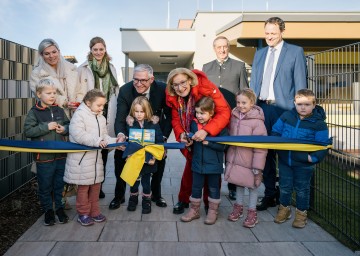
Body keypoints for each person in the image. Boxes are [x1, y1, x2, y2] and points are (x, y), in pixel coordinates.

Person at [250, 17, 307, 211]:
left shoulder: (295, 52)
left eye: (273, 33)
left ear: (282, 31)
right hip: (262, 109)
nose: (269, 37)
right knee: (264, 154)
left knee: (284, 154)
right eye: (266, 33)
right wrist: (251, 107)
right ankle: (269, 195)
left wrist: (300, 112)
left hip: (285, 112)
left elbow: (300, 84)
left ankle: (284, 197)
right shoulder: (259, 54)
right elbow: (254, 85)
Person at [166, 68, 231, 214]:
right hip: (192, 136)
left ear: (190, 80)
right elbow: (176, 119)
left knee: (212, 171)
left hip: (212, 134)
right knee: (191, 167)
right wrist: (181, 134)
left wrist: (207, 131)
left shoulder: (206, 87)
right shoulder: (174, 96)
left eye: (182, 82)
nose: (179, 87)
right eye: (175, 84)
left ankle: (210, 204)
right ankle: (184, 200)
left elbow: (224, 111)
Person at [111, 64, 172, 210]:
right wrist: (120, 135)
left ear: (152, 79)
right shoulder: (125, 90)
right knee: (120, 159)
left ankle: (156, 195)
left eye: (143, 80)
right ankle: (119, 195)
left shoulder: (163, 89)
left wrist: (162, 138)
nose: (138, 83)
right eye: (135, 80)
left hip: (153, 133)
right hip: (131, 134)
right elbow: (120, 117)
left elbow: (170, 115)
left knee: (159, 162)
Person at [271, 89, 329, 228]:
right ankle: (284, 209)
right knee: (285, 186)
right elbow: (275, 131)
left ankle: (301, 214)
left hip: (304, 164)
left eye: (307, 104)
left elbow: (323, 145)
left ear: (314, 105)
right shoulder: (286, 116)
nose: (303, 107)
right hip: (285, 161)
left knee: (302, 189)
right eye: (300, 104)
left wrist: (312, 158)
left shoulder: (319, 123)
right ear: (294, 103)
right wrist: (279, 148)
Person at [202, 35, 249, 201]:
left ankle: (233, 187)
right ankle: (212, 188)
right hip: (213, 118)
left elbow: (245, 91)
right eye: (219, 47)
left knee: (232, 153)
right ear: (214, 49)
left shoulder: (239, 65)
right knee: (214, 151)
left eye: (225, 47)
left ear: (228, 48)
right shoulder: (206, 68)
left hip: (233, 117)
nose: (222, 50)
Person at [64, 89, 116, 226]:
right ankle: (83, 213)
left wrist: (117, 141)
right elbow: (78, 134)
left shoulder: (101, 117)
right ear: (88, 102)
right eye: (99, 105)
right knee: (83, 189)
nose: (101, 108)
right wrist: (97, 141)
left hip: (95, 160)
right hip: (82, 160)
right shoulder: (79, 116)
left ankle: (95, 212)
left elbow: (104, 136)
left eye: (103, 105)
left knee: (95, 188)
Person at [24, 78, 70, 226]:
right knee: (45, 186)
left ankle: (60, 208)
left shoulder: (59, 110)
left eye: (54, 93)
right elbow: (28, 131)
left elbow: (69, 125)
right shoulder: (34, 112)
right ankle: (48, 211)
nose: (52, 95)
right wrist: (46, 127)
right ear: (39, 94)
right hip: (43, 157)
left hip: (61, 155)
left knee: (59, 184)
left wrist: (65, 129)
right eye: (48, 93)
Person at [77, 37, 119, 199]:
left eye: (101, 49)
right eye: (95, 49)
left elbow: (116, 90)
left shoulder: (112, 67)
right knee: (91, 150)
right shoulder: (83, 68)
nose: (99, 52)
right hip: (91, 111)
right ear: (91, 50)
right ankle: (88, 186)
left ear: (105, 49)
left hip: (108, 110)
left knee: (103, 150)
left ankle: (98, 186)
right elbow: (79, 91)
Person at [180, 97, 228, 225]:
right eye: (197, 112)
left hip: (214, 165)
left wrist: (209, 143)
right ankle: (194, 210)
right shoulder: (194, 124)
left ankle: (213, 211)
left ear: (211, 113)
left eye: (202, 113)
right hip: (197, 163)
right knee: (195, 188)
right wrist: (189, 143)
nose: (199, 116)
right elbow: (192, 142)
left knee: (213, 188)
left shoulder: (220, 126)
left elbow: (223, 146)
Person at [224, 88, 267, 228]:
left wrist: (258, 167)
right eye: (238, 102)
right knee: (239, 184)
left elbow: (261, 147)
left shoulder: (257, 122)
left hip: (251, 161)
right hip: (236, 159)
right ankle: (238, 207)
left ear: (252, 103)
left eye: (244, 102)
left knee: (253, 187)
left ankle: (252, 212)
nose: (240, 105)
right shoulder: (234, 117)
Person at [125, 96, 164, 214]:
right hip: (134, 159)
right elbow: (127, 143)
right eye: (136, 111)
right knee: (133, 181)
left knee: (146, 182)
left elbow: (159, 142)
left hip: (148, 159)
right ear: (133, 111)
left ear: (147, 111)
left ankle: (146, 199)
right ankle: (133, 198)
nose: (139, 114)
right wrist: (127, 153)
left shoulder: (154, 124)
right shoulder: (130, 124)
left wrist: (154, 157)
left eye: (142, 111)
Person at [30, 38, 80, 118]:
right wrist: (64, 102)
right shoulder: (36, 74)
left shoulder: (72, 69)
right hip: (53, 116)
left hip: (76, 114)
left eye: (54, 52)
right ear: (41, 55)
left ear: (59, 52)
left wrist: (78, 103)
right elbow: (40, 94)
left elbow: (79, 90)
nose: (51, 56)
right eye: (47, 54)